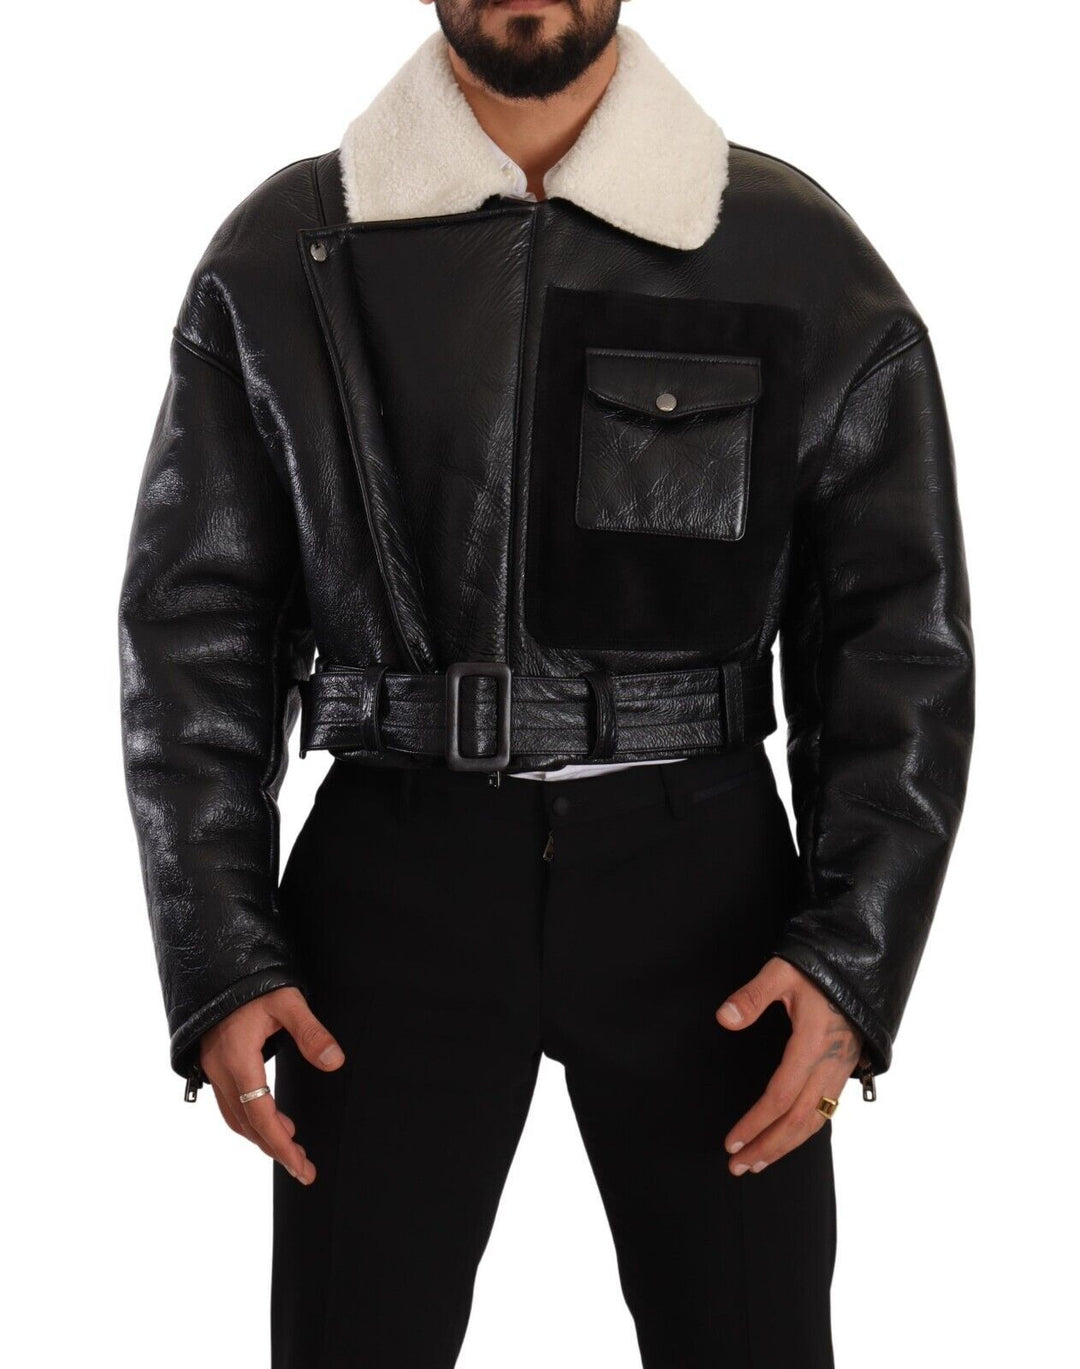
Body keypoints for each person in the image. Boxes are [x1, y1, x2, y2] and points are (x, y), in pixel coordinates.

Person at [117, 3, 975, 1365]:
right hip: (391, 884)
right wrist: (217, 950)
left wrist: (854, 959)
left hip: (707, 895)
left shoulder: (791, 252)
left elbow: (898, 634)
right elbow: (193, 622)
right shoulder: (284, 254)